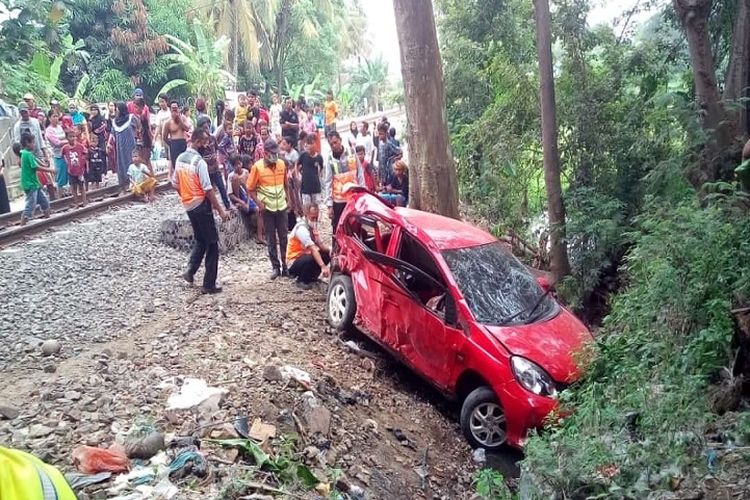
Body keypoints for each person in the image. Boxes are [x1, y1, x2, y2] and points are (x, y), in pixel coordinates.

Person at [173, 128, 229, 293]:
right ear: (196, 141)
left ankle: (190, 271)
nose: (206, 145)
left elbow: (175, 183)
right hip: (201, 205)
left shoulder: (180, 158)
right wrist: (220, 210)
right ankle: (209, 284)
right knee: (212, 243)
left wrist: (185, 195)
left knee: (200, 239)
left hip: (188, 205)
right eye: (204, 142)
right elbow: (208, 189)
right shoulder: (199, 162)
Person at [247, 139, 290, 279]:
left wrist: (288, 199)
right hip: (268, 209)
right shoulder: (257, 168)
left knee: (284, 237)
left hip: (281, 207)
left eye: (276, 153)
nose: (275, 156)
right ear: (265, 153)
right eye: (273, 153)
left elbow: (286, 184)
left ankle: (285, 265)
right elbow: (250, 188)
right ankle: (275, 267)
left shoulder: (281, 164)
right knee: (271, 238)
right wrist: (259, 203)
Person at [324, 131, 364, 234]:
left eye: (335, 142)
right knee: (338, 229)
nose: (334, 145)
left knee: (355, 227)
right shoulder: (329, 159)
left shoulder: (351, 152)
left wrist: (363, 193)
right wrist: (329, 205)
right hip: (339, 201)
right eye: (331, 144)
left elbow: (360, 173)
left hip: (353, 198)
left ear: (340, 140)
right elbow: (328, 182)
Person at [287, 203, 331, 289]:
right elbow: (313, 249)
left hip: (305, 256)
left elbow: (321, 246)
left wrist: (331, 250)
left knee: (326, 255)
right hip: (294, 260)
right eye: (312, 217)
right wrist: (323, 266)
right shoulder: (301, 229)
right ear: (306, 214)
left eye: (316, 217)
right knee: (311, 258)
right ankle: (301, 280)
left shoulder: (312, 227)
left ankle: (312, 278)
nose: (314, 220)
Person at [16, 133, 55, 225]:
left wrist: (45, 165)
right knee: (31, 204)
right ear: (27, 143)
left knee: (44, 201)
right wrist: (50, 170)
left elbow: (37, 163)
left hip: (33, 183)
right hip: (30, 184)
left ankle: (48, 220)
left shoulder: (25, 154)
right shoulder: (27, 154)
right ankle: (23, 223)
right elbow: (35, 167)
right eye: (33, 142)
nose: (34, 144)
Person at [227, 153, 264, 244]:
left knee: (259, 209)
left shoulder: (246, 172)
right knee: (235, 178)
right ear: (233, 166)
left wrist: (247, 202)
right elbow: (230, 194)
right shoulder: (231, 176)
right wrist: (241, 202)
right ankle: (259, 235)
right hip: (237, 197)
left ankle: (260, 235)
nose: (238, 166)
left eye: (239, 163)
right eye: (235, 165)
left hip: (246, 196)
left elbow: (249, 189)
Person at [196, 116, 231, 210]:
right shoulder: (199, 142)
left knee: (221, 187)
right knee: (208, 190)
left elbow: (216, 148)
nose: (207, 129)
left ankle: (227, 205)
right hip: (206, 170)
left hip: (215, 168)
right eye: (204, 128)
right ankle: (211, 208)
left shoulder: (212, 138)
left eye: (207, 127)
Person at [111, 101, 138, 194]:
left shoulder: (131, 118)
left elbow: (138, 127)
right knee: (121, 164)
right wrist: (109, 144)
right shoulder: (114, 121)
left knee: (132, 162)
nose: (116, 110)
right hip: (120, 148)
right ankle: (124, 185)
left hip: (131, 146)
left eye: (117, 109)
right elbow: (112, 134)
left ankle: (134, 184)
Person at [162, 100, 190, 177]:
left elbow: (187, 129)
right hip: (174, 144)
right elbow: (164, 137)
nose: (174, 109)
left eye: (176, 108)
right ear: (170, 109)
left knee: (185, 165)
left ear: (178, 109)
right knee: (176, 167)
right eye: (172, 108)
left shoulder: (183, 118)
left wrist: (179, 120)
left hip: (183, 143)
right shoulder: (168, 122)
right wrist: (171, 145)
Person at [62, 128, 88, 207]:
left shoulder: (80, 146)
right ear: (67, 138)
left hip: (80, 170)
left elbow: (85, 153)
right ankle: (76, 203)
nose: (73, 138)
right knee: (73, 187)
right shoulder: (65, 148)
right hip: (71, 171)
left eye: (74, 136)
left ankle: (84, 202)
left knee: (81, 186)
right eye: (70, 137)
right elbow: (62, 155)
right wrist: (67, 162)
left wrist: (83, 161)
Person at [44, 109, 69, 194]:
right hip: (57, 155)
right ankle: (60, 196)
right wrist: (67, 141)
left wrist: (64, 140)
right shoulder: (49, 130)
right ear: (49, 118)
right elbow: (57, 143)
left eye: (57, 116)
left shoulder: (59, 127)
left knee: (67, 175)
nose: (56, 118)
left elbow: (63, 138)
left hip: (65, 154)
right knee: (60, 177)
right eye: (53, 116)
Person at [297, 134, 323, 207]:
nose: (310, 146)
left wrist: (318, 175)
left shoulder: (319, 158)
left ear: (315, 144)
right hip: (305, 188)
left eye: (312, 143)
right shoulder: (303, 155)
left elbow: (321, 169)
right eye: (308, 144)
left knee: (317, 208)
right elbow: (297, 165)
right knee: (306, 207)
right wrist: (298, 175)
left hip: (316, 187)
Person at [281, 136, 301, 229]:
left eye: (285, 144)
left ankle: (298, 214)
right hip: (288, 178)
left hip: (294, 178)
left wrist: (290, 173)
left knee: (296, 197)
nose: (283, 146)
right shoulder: (285, 154)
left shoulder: (294, 154)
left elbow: (296, 166)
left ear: (290, 144)